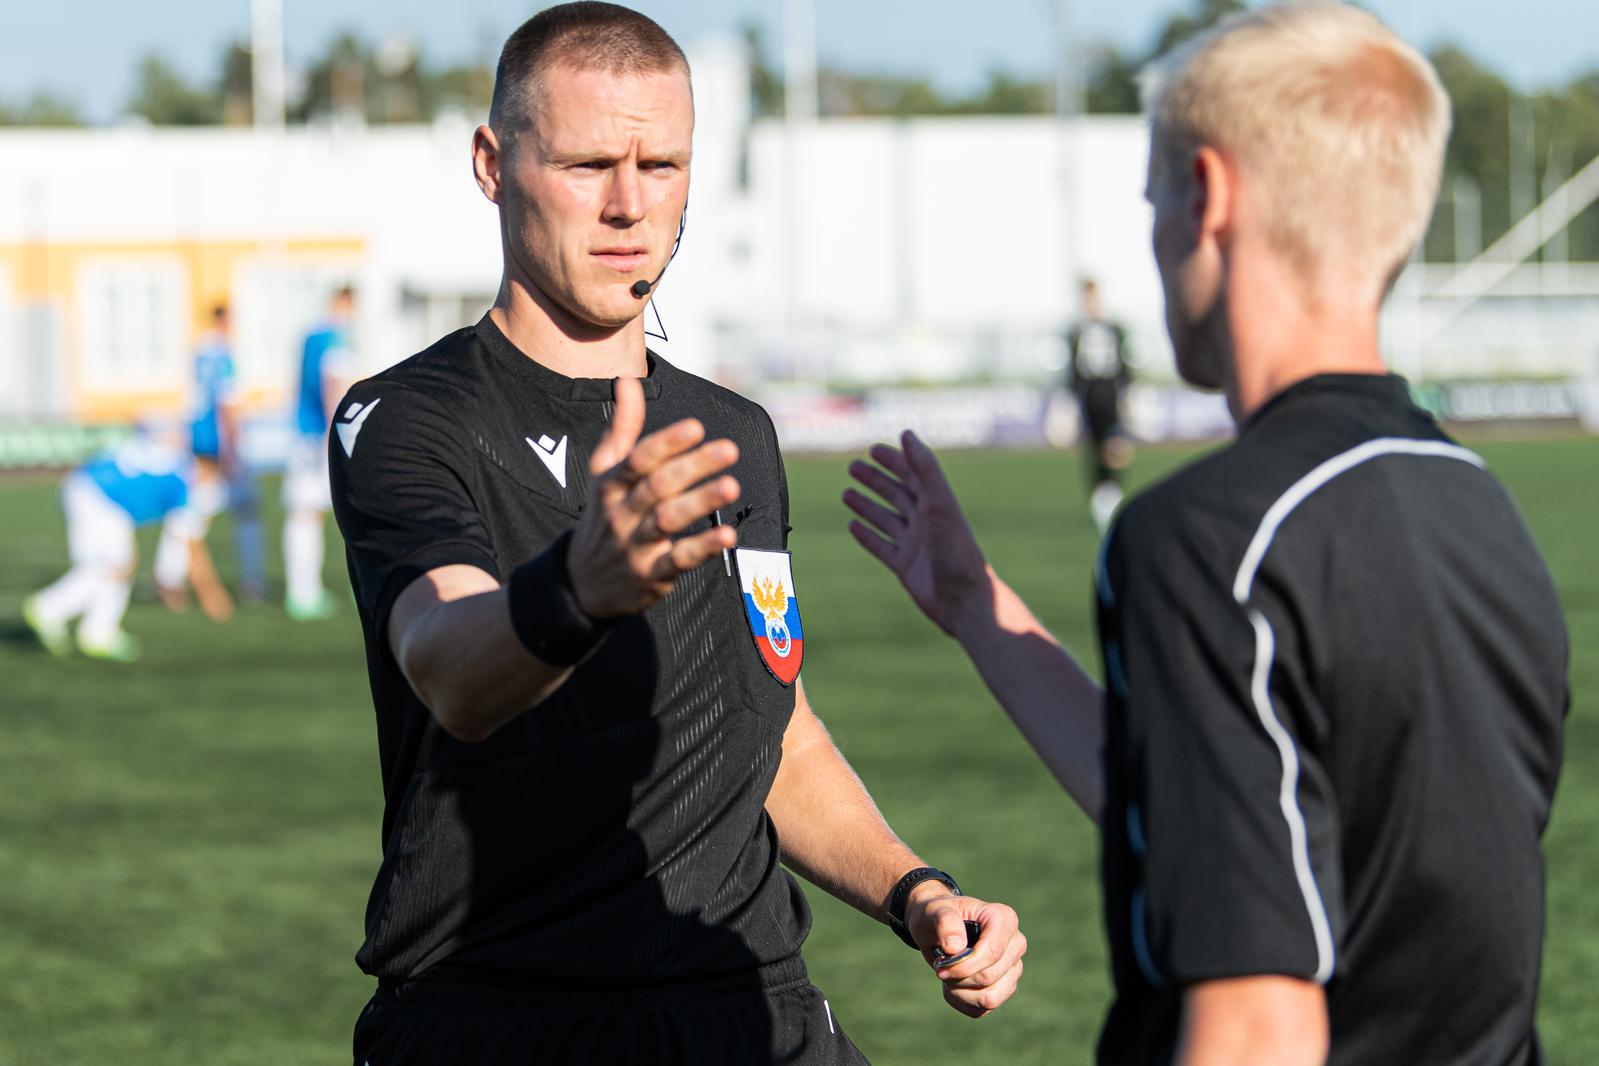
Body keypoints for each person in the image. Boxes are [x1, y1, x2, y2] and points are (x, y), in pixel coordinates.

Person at [845, 5, 1567, 1064]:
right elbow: (1218, 830)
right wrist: (978, 609)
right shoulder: (1480, 505)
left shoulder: (1208, 539)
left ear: (1207, 195)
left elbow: (1259, 1021)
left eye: (1151, 200)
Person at [328, 6, 1025, 1065]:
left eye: (661, 164)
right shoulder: (411, 417)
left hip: (751, 1008)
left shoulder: (733, 431)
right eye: (586, 162)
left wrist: (915, 891)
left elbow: (772, 729)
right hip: (502, 1020)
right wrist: (578, 587)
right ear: (491, 162)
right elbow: (450, 666)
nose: (629, 204)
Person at [22, 430, 233, 662]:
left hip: (89, 488)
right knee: (115, 566)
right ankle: (56, 613)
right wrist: (211, 593)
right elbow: (191, 544)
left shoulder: (175, 463)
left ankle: (92, 629)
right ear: (208, 468)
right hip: (98, 497)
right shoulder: (184, 483)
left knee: (113, 567)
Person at [283, 285, 356, 620]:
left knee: (306, 512)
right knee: (309, 513)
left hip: (303, 430)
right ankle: (303, 593)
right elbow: (332, 386)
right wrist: (333, 430)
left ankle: (304, 590)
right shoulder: (333, 338)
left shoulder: (311, 336)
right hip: (317, 434)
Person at [186, 303, 266, 604]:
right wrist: (232, 447)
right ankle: (252, 583)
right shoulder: (225, 356)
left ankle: (168, 578)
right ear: (225, 320)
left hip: (199, 437)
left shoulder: (200, 353)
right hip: (221, 442)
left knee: (193, 507)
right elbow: (226, 406)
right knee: (245, 509)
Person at [1064, 278, 1133, 532]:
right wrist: (1069, 401)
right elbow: (1073, 369)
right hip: (1089, 394)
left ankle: (1111, 492)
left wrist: (1130, 393)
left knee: (1114, 444)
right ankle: (1100, 497)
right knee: (1093, 447)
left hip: (1110, 392)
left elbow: (1125, 364)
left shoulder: (1113, 328)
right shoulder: (1077, 331)